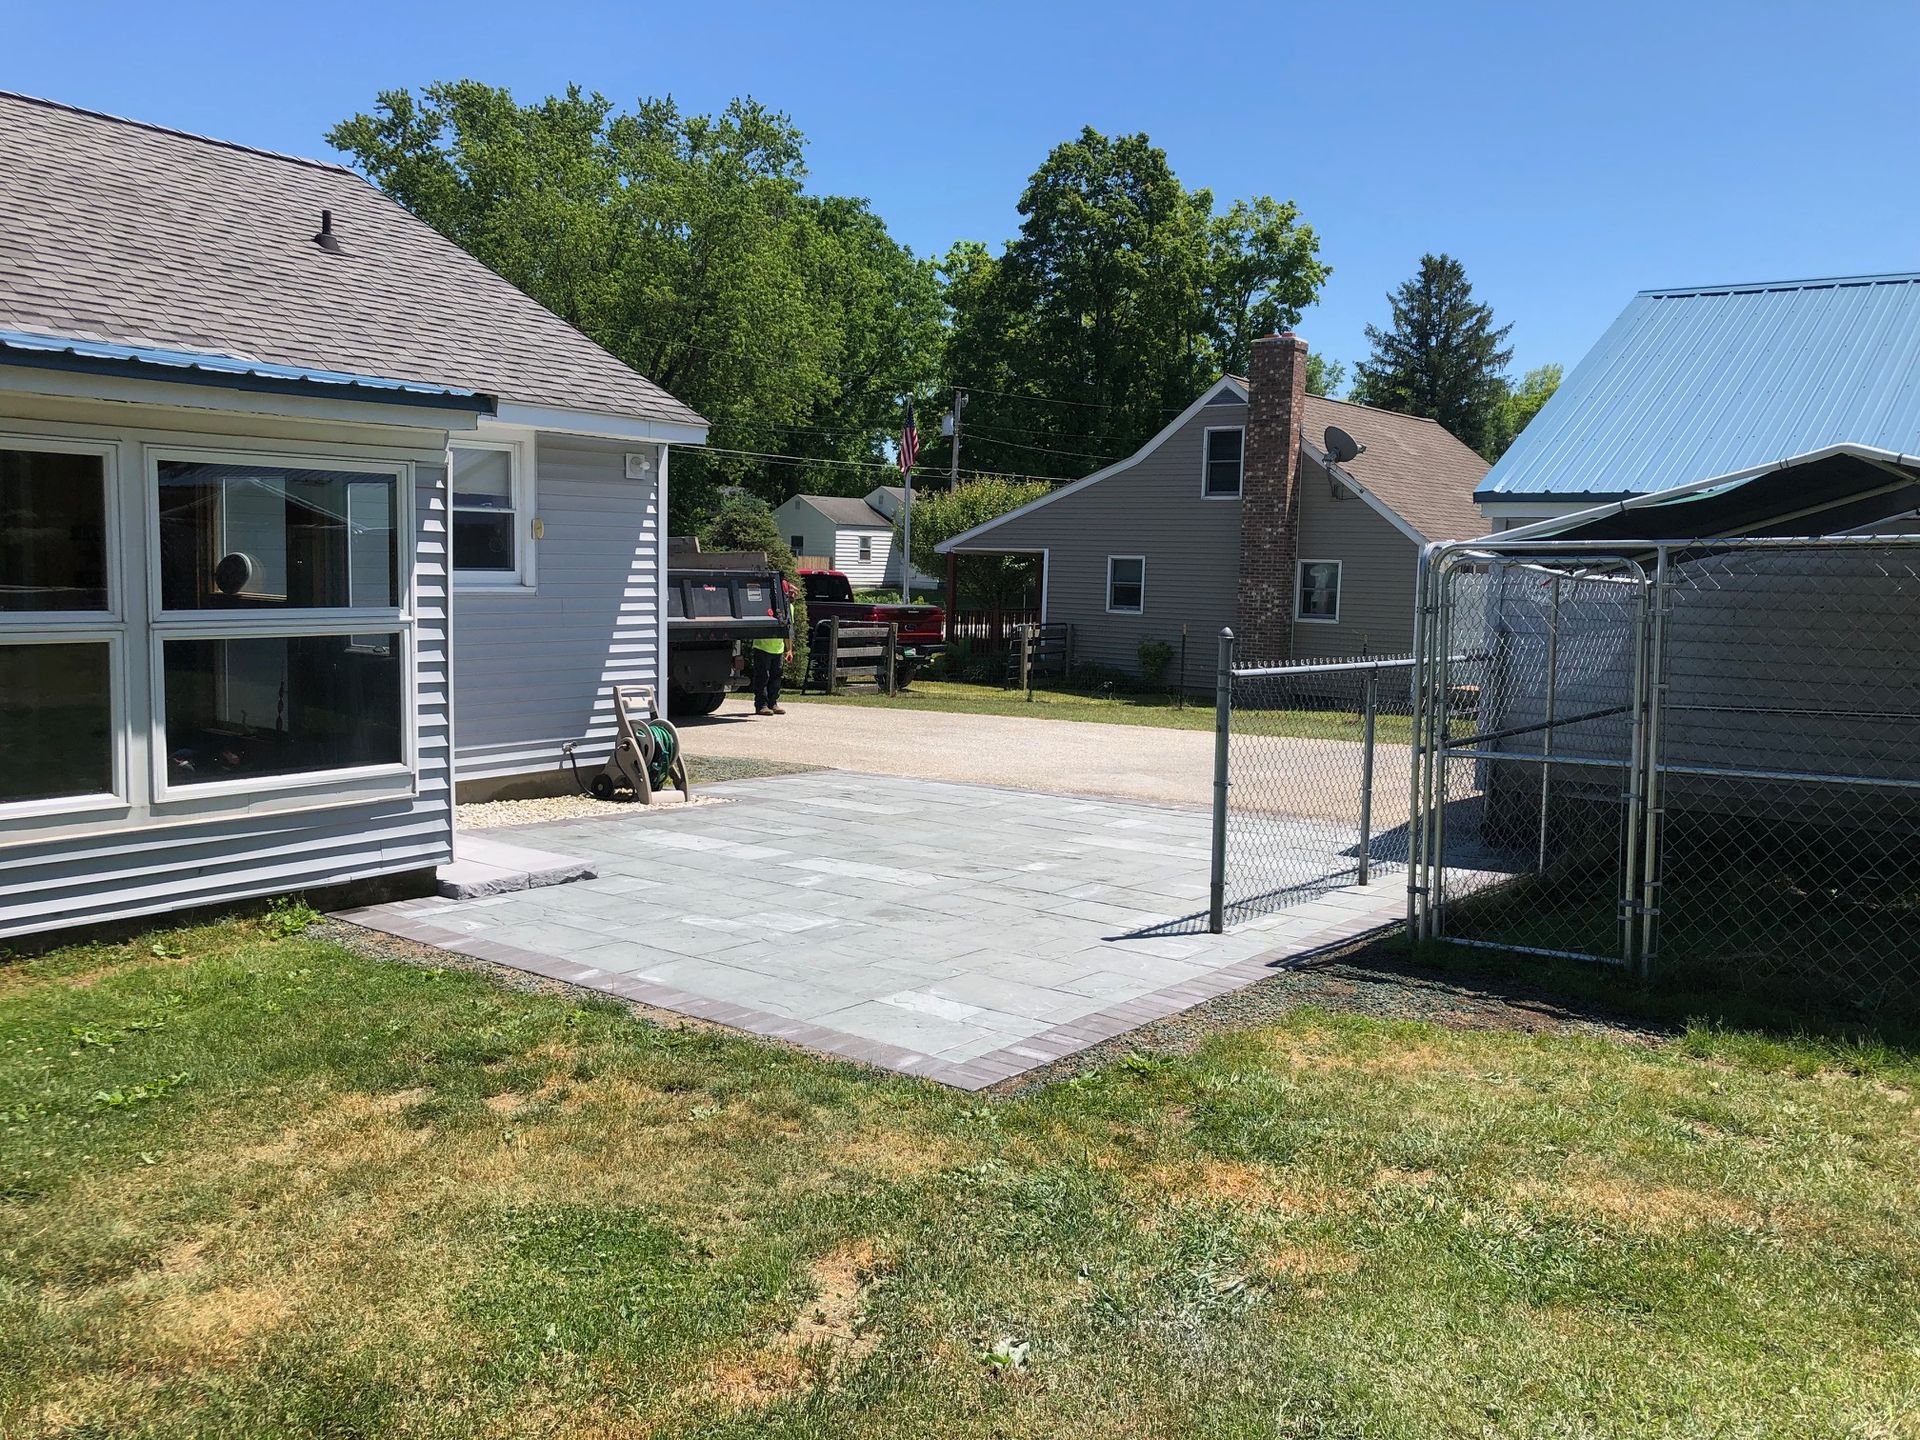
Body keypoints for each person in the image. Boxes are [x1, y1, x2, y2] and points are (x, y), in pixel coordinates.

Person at [748, 625, 790, 716]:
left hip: (778, 649)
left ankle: (773, 704)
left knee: (776, 678)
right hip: (762, 647)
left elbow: (788, 628)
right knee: (763, 677)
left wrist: (789, 649)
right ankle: (761, 705)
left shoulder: (789, 609)